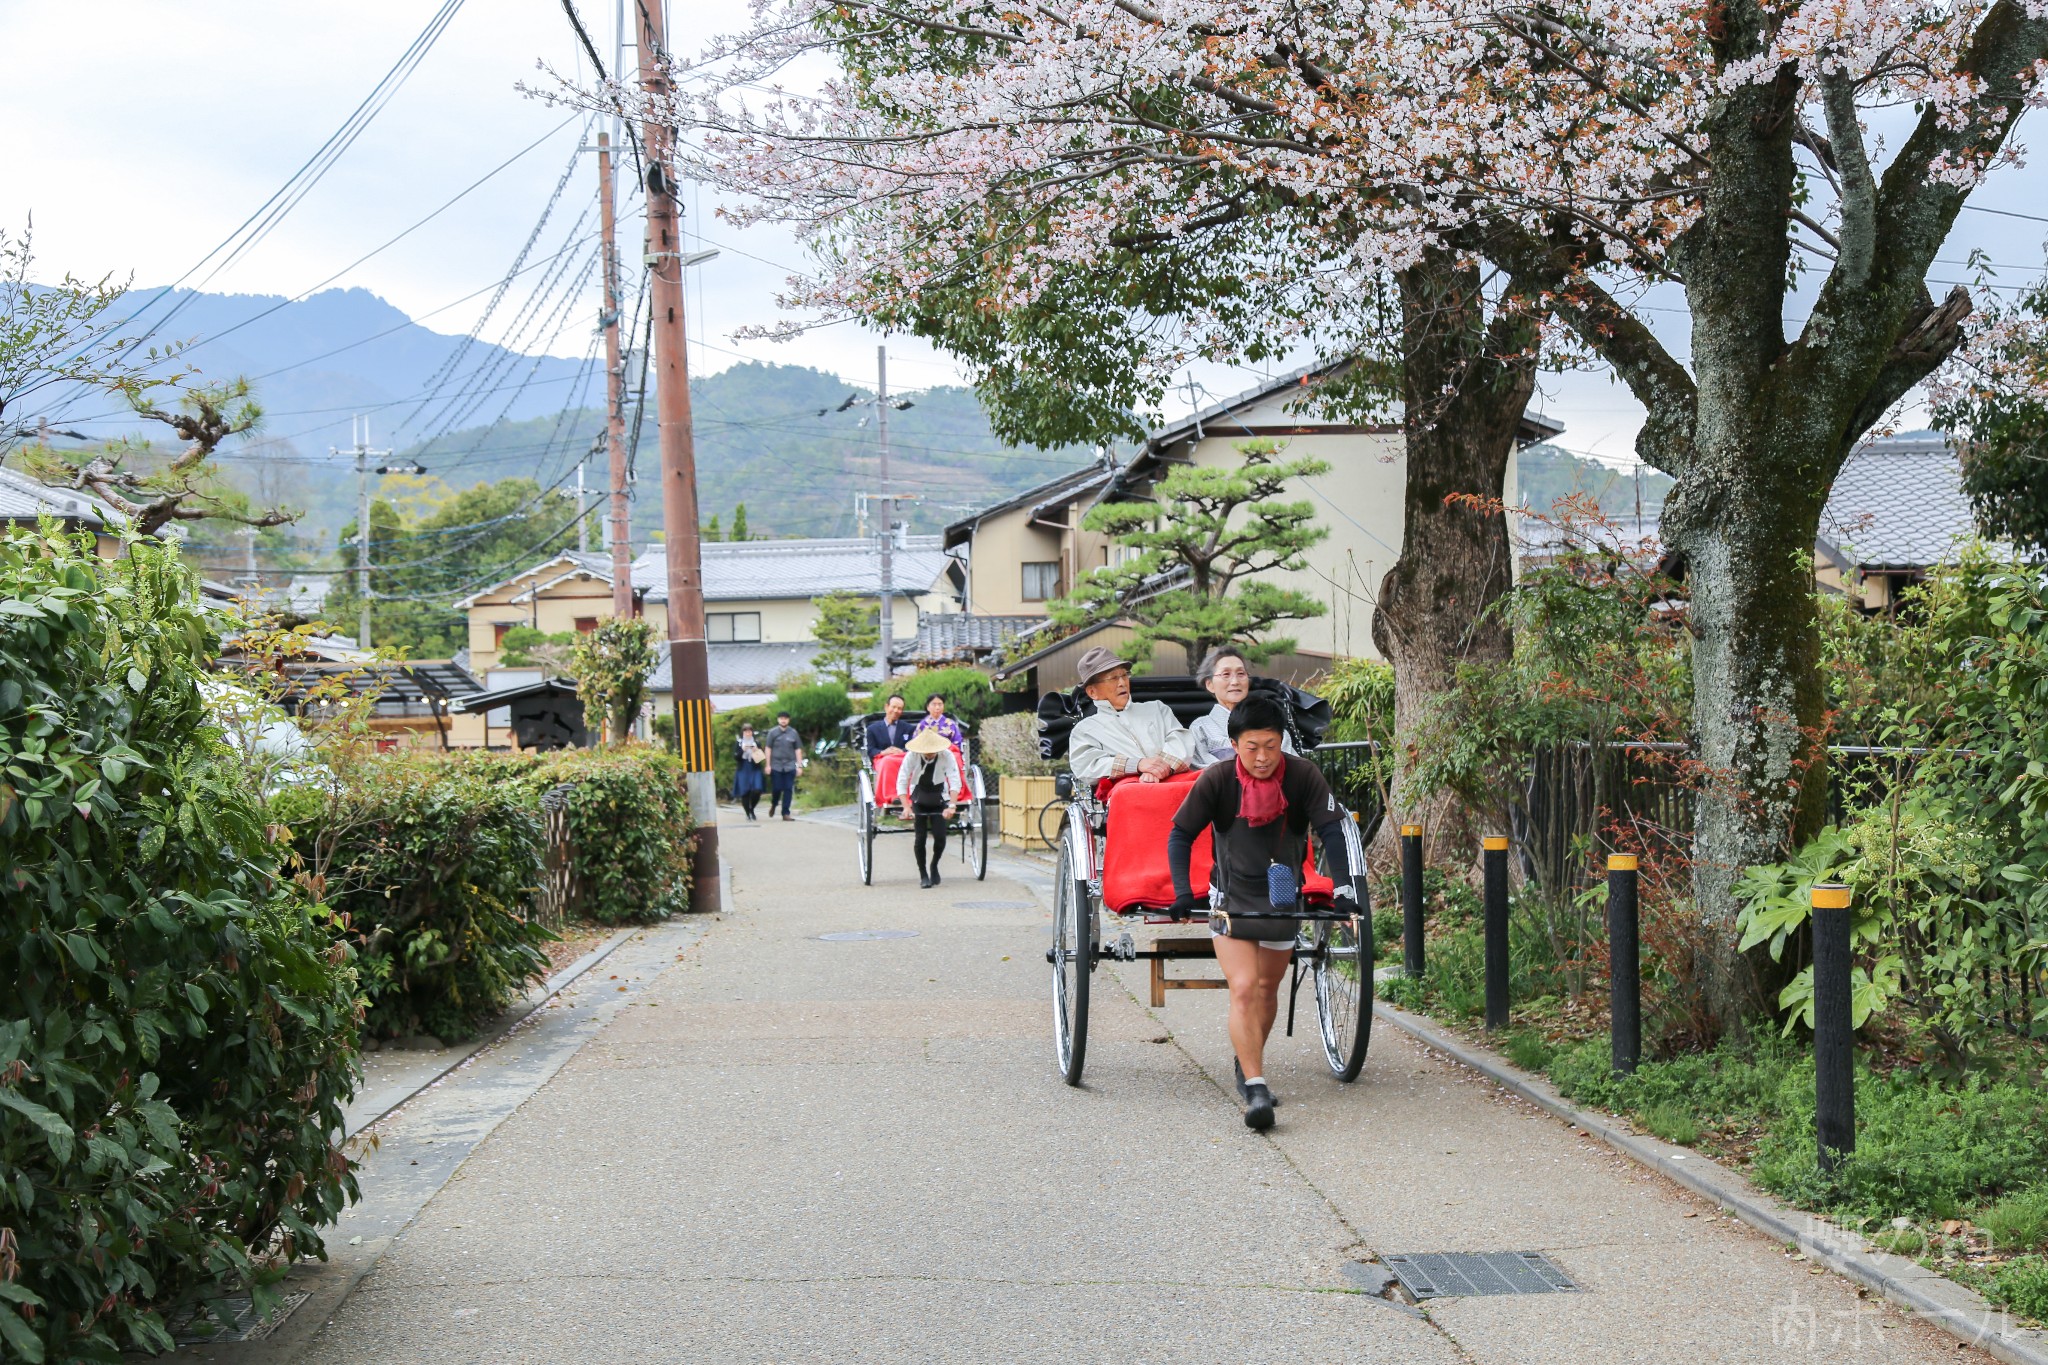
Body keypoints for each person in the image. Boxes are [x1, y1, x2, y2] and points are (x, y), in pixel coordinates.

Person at [1166, 695, 1354, 1131]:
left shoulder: (1303, 776)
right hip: (1229, 896)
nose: (1263, 757)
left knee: (1268, 987)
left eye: (1271, 745)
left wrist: (1343, 891)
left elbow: (1331, 830)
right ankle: (1255, 1087)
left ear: (1282, 740)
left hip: (1282, 896)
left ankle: (1247, 1057)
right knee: (1246, 987)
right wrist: (1181, 892)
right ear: (1234, 744)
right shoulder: (1216, 780)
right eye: (1253, 747)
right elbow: (1181, 834)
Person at [1066, 646, 1192, 787]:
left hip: (1174, 783)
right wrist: (1136, 765)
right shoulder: (1085, 730)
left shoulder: (1157, 709)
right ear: (1092, 692)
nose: (1122, 683)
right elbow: (1086, 765)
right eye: (1113, 678)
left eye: (1124, 675)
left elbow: (1181, 740)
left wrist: (1158, 769)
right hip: (1131, 796)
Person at [1187, 644, 1297, 768]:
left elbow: (1290, 766)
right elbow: (1202, 773)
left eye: (1241, 674)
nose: (1235, 682)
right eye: (1226, 674)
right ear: (1210, 684)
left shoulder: (1269, 721)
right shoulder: (1200, 728)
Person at [896, 728, 959, 888]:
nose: (930, 754)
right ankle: (923, 873)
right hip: (919, 797)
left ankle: (934, 865)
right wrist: (906, 807)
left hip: (939, 797)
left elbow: (954, 779)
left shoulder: (946, 755)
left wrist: (951, 805)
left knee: (940, 837)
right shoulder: (912, 756)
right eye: (927, 751)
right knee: (920, 838)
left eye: (933, 751)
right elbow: (902, 780)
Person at [762, 711, 804, 821]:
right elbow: (768, 749)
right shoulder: (772, 733)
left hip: (790, 765)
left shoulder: (793, 733)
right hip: (776, 765)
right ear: (778, 720)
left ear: (788, 720)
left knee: (788, 789)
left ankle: (785, 813)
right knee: (777, 788)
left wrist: (799, 766)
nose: (783, 720)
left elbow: (798, 750)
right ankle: (774, 804)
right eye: (781, 718)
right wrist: (768, 765)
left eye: (785, 718)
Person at [733, 722, 766, 821]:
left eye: (749, 731)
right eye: (746, 731)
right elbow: (736, 757)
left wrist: (756, 751)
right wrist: (742, 750)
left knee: (757, 789)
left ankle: (752, 809)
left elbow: (760, 759)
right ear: (743, 732)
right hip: (743, 768)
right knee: (745, 791)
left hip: (754, 768)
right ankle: (748, 813)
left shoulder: (756, 742)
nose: (748, 733)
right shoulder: (739, 743)